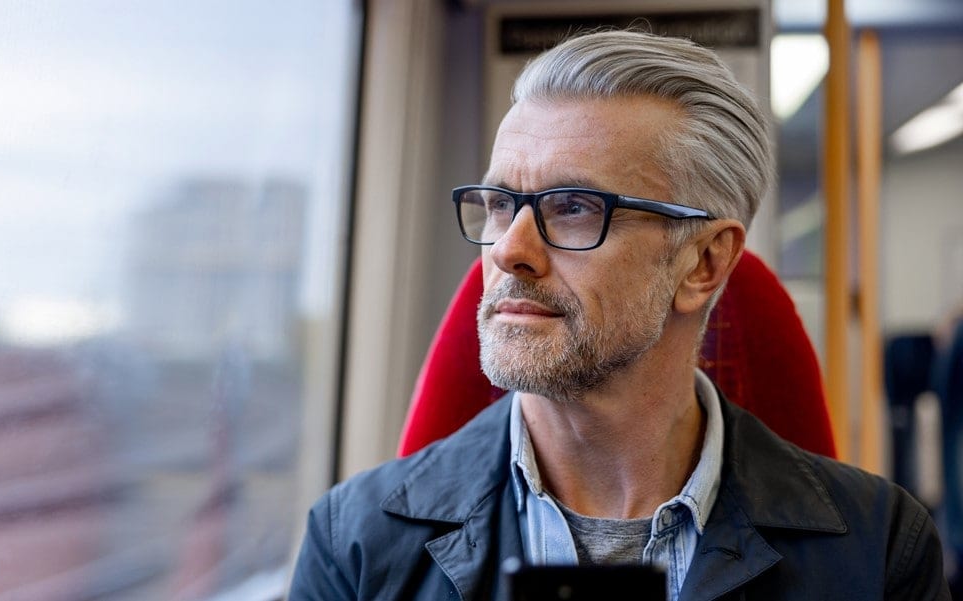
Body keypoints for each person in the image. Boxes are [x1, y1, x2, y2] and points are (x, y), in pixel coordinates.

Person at [288, 30, 949, 600]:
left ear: (704, 263)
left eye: (573, 205)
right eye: (498, 203)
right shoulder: (354, 542)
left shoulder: (880, 550)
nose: (509, 251)